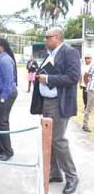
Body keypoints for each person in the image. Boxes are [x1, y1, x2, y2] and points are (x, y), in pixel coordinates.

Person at [30, 27, 80, 194]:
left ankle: (72, 177)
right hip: (47, 102)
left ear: (57, 37)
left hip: (60, 103)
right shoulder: (50, 54)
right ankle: (55, 173)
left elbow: (73, 77)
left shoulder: (69, 52)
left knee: (58, 140)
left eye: (47, 37)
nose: (44, 40)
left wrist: (49, 79)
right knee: (48, 140)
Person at [0, 38, 18, 161]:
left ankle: (8, 151)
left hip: (4, 95)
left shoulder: (5, 60)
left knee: (2, 122)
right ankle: (1, 147)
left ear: (2, 47)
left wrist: (2, 98)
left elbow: (9, 81)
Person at [82, 54, 93, 132]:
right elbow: (86, 75)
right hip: (92, 89)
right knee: (88, 107)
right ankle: (85, 124)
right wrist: (86, 85)